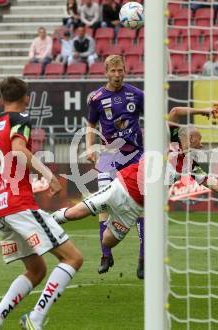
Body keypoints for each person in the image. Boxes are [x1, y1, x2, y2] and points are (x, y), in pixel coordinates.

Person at [0, 77, 83, 330]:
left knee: (36, 270)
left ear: (0, 100)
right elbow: (19, 149)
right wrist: (50, 177)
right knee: (73, 259)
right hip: (18, 204)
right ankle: (35, 319)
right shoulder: (19, 120)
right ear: (27, 99)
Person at [53, 108, 218, 250]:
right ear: (189, 138)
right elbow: (175, 111)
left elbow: (214, 184)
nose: (202, 144)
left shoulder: (189, 165)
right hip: (122, 187)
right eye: (200, 140)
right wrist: (201, 111)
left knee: (108, 241)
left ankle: (109, 211)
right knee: (75, 214)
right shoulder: (168, 139)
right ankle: (48, 221)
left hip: (136, 207)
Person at [86, 55, 145, 278]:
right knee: (103, 205)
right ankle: (105, 254)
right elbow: (91, 124)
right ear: (106, 72)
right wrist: (90, 147)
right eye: (114, 71)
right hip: (108, 158)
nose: (118, 75)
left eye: (121, 70)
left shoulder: (136, 94)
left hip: (135, 155)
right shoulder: (97, 98)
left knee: (142, 206)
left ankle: (143, 259)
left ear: (125, 71)